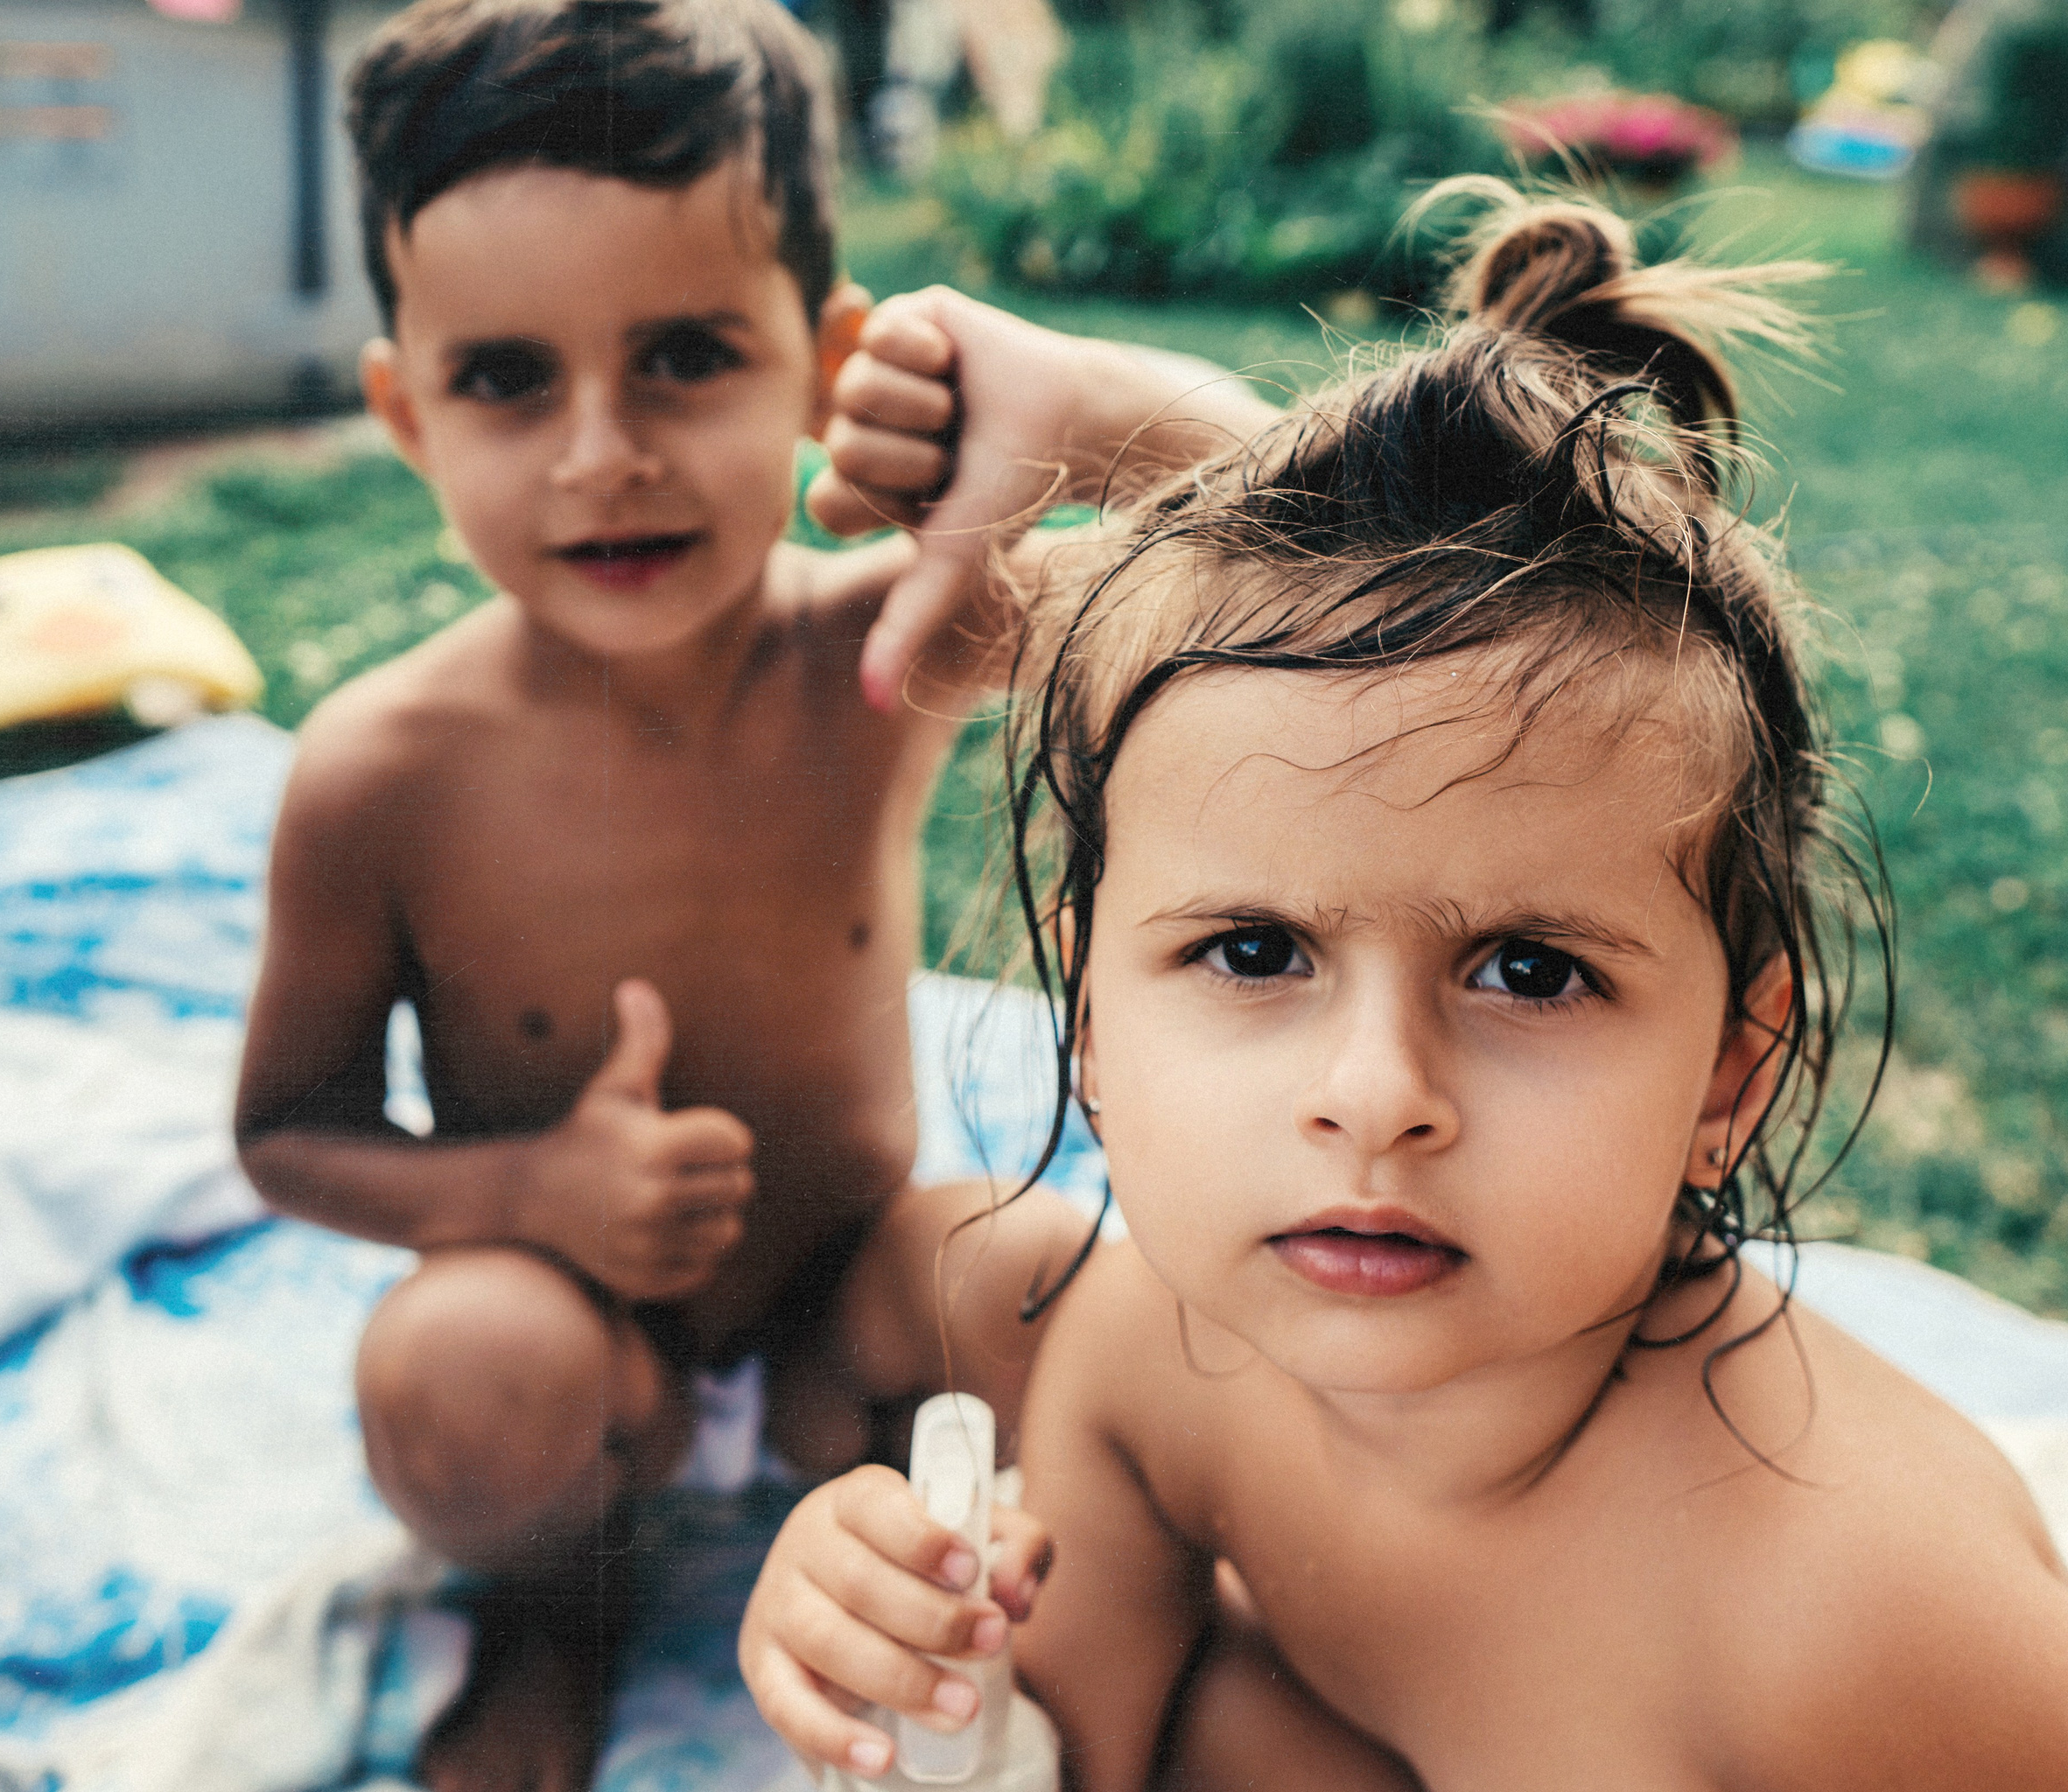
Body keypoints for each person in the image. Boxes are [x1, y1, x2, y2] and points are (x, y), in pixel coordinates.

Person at [739, 185, 2068, 1788]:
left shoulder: (1871, 1614)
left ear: (1730, 1073)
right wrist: (902, 1682)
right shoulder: (1151, 1351)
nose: (1373, 1094)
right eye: (1252, 952)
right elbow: (1062, 1760)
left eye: (1530, 971)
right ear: (1086, 1022)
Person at [228, 1, 1259, 1782]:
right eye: (505, 378)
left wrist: (1094, 412)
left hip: (840, 1313)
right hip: (578, 1332)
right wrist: (529, 1187)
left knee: (1043, 1276)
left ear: (823, 359)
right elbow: (287, 1135)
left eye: (687, 354)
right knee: (449, 1376)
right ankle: (562, 1601)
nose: (600, 449)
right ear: (404, 411)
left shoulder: (887, 643)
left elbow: (1282, 549)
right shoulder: (379, 770)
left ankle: (989, 1587)